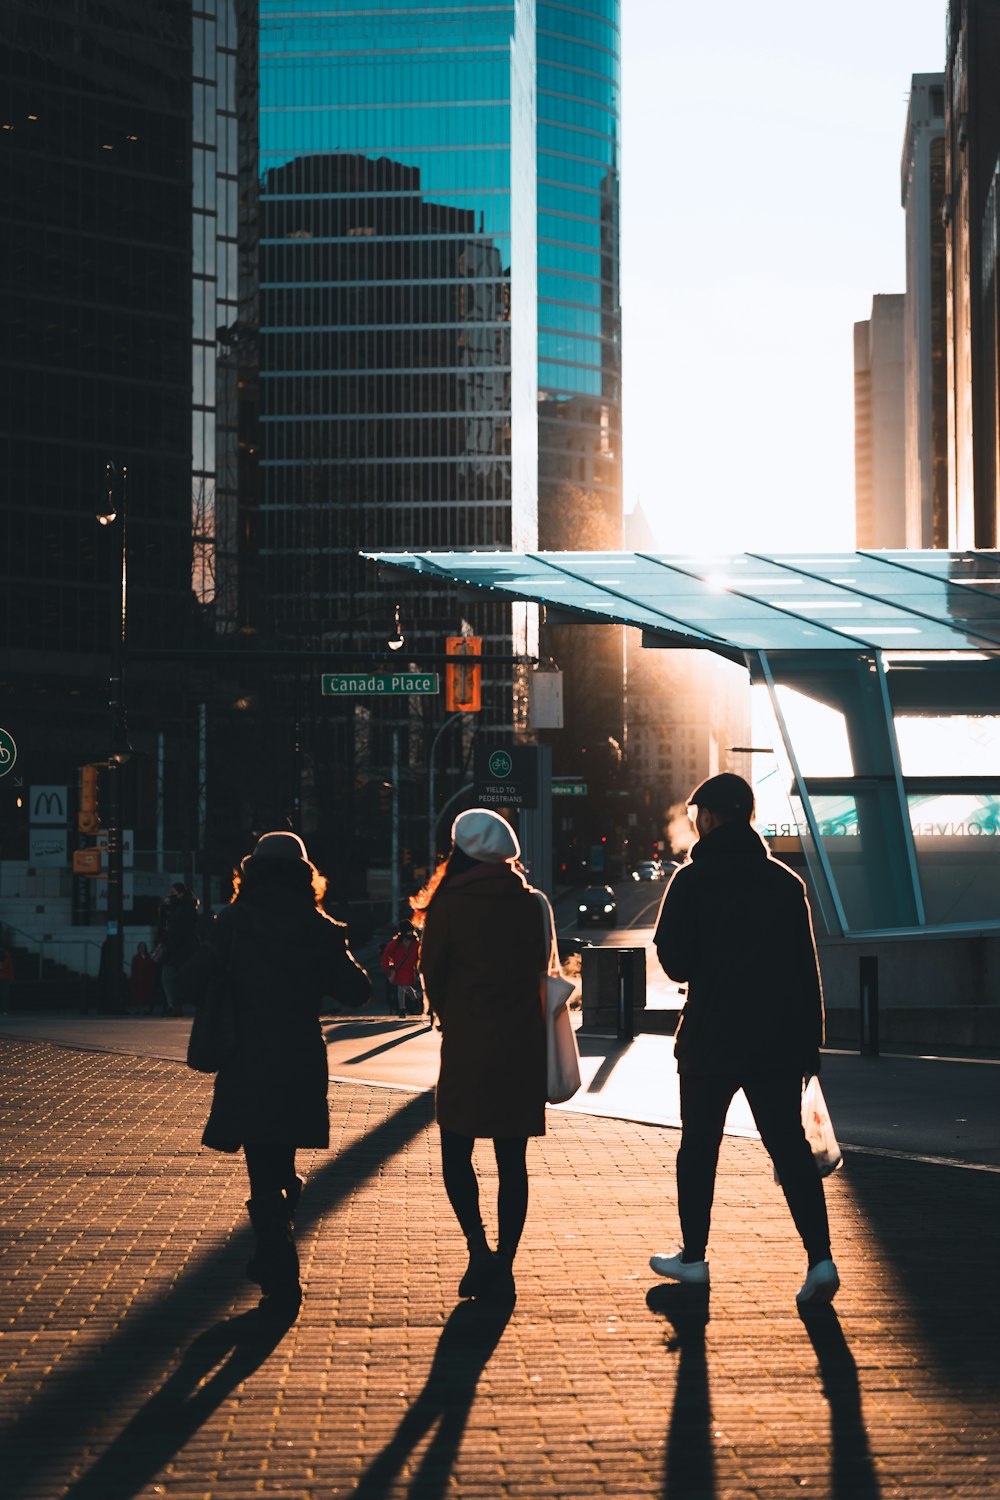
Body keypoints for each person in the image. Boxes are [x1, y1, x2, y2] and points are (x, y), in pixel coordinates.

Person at [650, 772, 839, 1306]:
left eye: (697, 816)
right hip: (778, 1041)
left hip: (711, 1036)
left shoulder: (691, 881)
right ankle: (820, 1259)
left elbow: (675, 960)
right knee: (790, 1149)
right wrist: (810, 1049)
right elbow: (807, 972)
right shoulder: (784, 883)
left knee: (699, 1148)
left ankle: (693, 1258)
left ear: (709, 818)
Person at [178, 832, 371, 1318]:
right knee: (280, 1162)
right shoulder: (318, 927)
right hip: (301, 1060)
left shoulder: (234, 923)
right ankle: (272, 1256)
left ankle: (280, 1271)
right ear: (306, 876)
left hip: (247, 1059)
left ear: (252, 873)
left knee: (263, 1168)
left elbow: (190, 983)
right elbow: (358, 991)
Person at [413, 808, 548, 1303]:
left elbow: (433, 974)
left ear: (461, 851)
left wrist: (454, 1014)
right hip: (521, 1044)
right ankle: (506, 1262)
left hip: (468, 1042)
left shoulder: (449, 905)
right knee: (512, 1160)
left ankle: (478, 1250)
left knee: (456, 1152)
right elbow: (541, 965)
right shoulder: (531, 903)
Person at [155, 883, 200, 1016]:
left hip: (178, 948)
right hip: (177, 948)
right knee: (170, 977)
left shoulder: (184, 907)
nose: (171, 895)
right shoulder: (179, 907)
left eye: (173, 892)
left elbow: (178, 927)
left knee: (170, 977)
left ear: (180, 893)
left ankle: (174, 1005)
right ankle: (174, 1005)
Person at [129, 942, 159, 1013]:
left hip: (147, 979)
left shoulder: (148, 957)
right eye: (141, 947)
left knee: (147, 994)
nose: (142, 949)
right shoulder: (136, 958)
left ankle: (146, 1008)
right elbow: (134, 969)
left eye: (143, 947)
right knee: (139, 995)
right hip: (139, 979)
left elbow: (152, 967)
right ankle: (139, 1008)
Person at [0, 946, 13, 1012]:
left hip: (5, 978)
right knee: (4, 995)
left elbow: (10, 969)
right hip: (5, 977)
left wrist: (11, 978)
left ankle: (4, 1009)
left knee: (4, 995)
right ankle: (4, 1009)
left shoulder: (8, 958)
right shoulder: (7, 958)